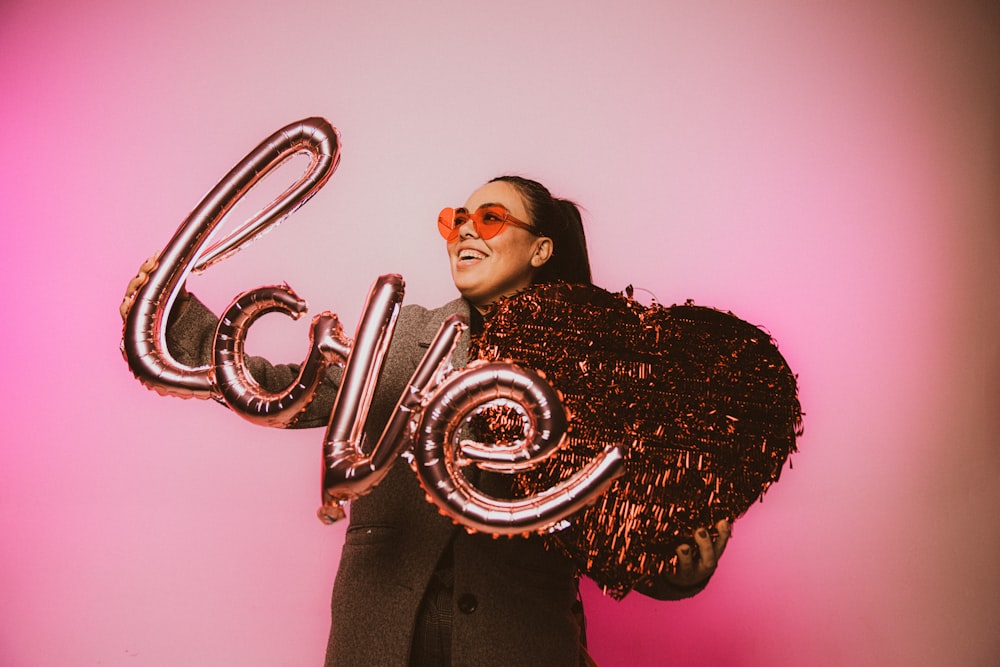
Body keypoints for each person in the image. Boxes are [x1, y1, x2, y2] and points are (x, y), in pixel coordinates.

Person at [122, 175, 730, 666]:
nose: (465, 229)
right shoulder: (406, 331)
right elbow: (291, 390)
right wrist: (174, 321)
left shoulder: (596, 365)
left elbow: (615, 514)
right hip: (383, 634)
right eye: (454, 220)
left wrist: (678, 557)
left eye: (490, 218)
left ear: (540, 249)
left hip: (516, 639)